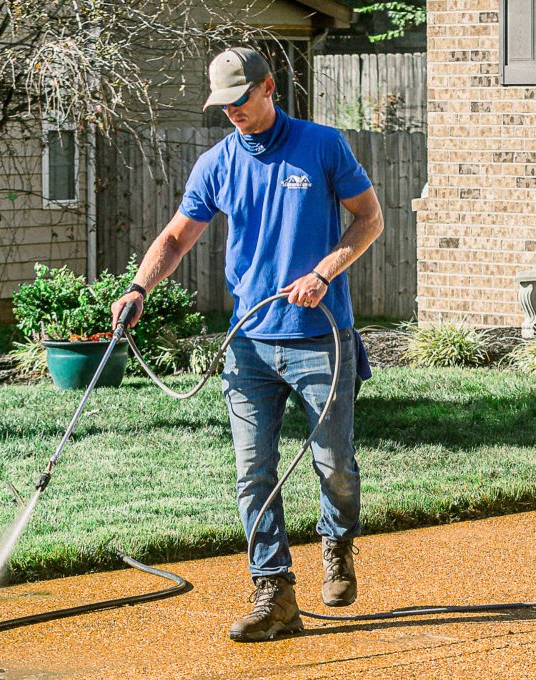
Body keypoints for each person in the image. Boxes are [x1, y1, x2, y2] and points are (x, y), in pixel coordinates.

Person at [111, 46, 384, 642]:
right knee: (252, 473)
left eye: (240, 100)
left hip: (321, 338)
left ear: (268, 88)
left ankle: (337, 541)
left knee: (334, 464)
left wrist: (324, 273)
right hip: (249, 345)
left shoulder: (322, 145)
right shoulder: (217, 163)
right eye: (223, 105)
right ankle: (274, 593)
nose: (232, 112)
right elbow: (176, 237)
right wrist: (138, 287)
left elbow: (369, 219)